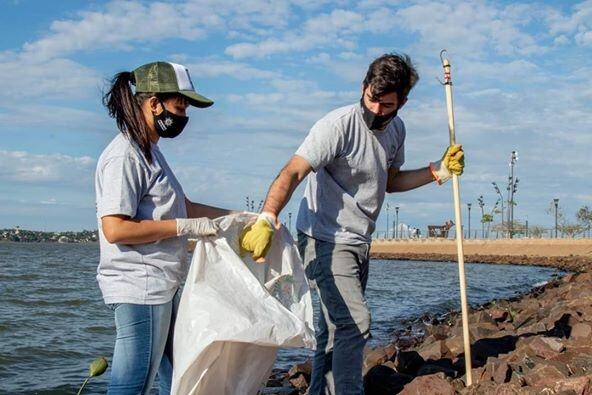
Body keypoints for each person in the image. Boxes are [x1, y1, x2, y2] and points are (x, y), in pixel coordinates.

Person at [240, 53, 464, 394]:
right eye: (371, 98)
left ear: (402, 102)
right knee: (354, 323)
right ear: (364, 88)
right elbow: (293, 171)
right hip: (323, 237)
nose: (375, 109)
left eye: (386, 105)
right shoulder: (337, 125)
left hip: (359, 239)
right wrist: (268, 217)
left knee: (333, 329)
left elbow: (390, 181)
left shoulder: (396, 131)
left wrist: (437, 171)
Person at [96, 61, 234, 394]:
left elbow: (185, 207)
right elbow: (115, 228)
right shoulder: (125, 156)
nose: (185, 113)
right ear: (154, 103)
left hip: (163, 285)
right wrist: (183, 227)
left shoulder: (150, 153)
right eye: (181, 104)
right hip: (141, 288)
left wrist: (238, 218)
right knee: (133, 384)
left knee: (178, 377)